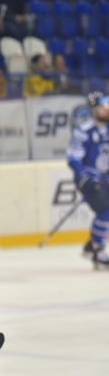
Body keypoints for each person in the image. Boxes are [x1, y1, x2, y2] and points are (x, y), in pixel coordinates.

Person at [67, 91, 109, 267]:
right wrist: (84, 178)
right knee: (106, 211)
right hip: (89, 180)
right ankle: (98, 251)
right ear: (94, 110)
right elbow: (73, 158)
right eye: (103, 107)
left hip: (105, 179)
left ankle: (91, 244)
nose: (106, 110)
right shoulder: (83, 132)